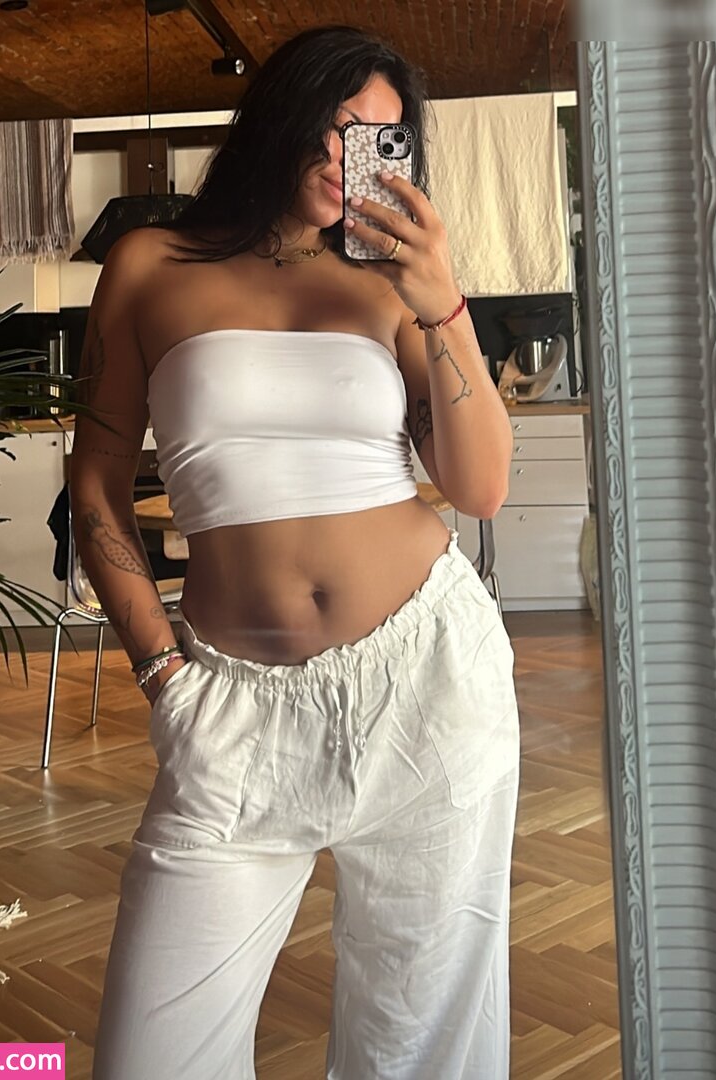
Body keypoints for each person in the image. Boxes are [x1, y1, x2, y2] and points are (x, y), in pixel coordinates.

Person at [74, 24, 520, 1080]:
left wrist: (443, 305)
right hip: (229, 709)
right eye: (330, 123)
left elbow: (478, 488)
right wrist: (161, 674)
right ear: (277, 115)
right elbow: (94, 484)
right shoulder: (149, 265)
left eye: (373, 138)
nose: (340, 154)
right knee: (152, 1058)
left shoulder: (394, 287)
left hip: (425, 682)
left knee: (419, 1047)